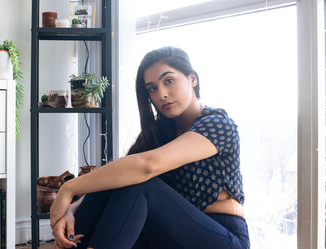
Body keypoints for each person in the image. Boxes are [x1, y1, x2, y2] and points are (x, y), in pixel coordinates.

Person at [50, 46, 250, 249]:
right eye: (152, 88)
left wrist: (67, 189)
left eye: (169, 81)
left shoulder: (218, 124)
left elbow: (147, 166)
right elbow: (116, 178)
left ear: (192, 79)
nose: (162, 94)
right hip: (168, 234)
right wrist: (71, 210)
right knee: (122, 179)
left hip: (223, 237)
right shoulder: (159, 132)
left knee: (140, 183)